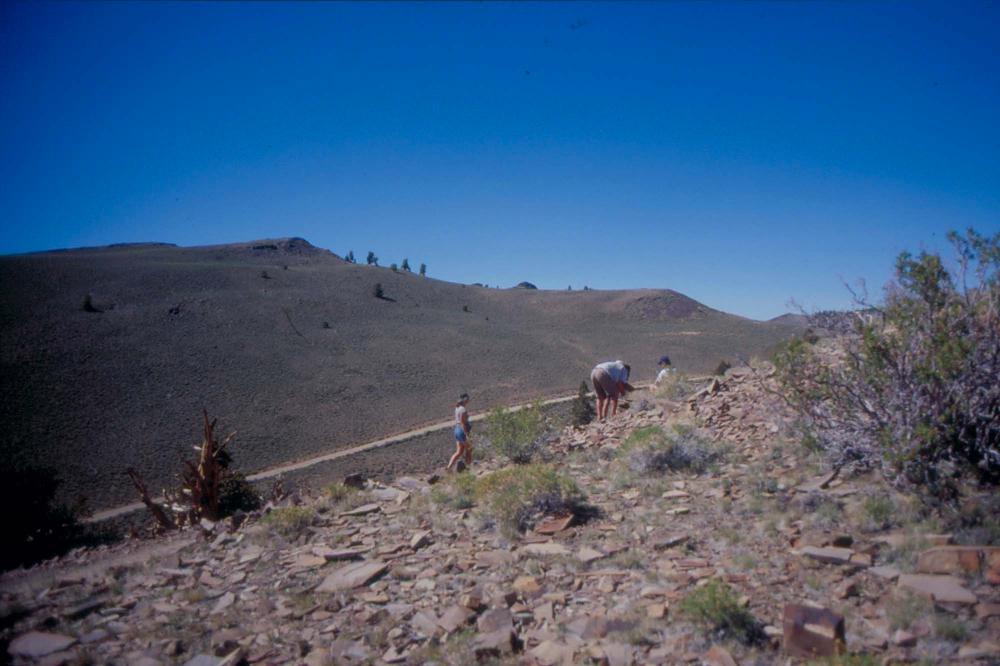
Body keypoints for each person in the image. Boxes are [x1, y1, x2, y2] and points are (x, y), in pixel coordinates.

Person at [447, 393, 472, 472]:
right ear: (464, 399)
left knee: (459, 451)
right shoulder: (462, 409)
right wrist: (466, 434)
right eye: (467, 398)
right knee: (469, 448)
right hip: (462, 431)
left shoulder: (457, 408)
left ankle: (449, 468)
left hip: (457, 430)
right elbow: (462, 422)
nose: (468, 400)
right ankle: (468, 466)